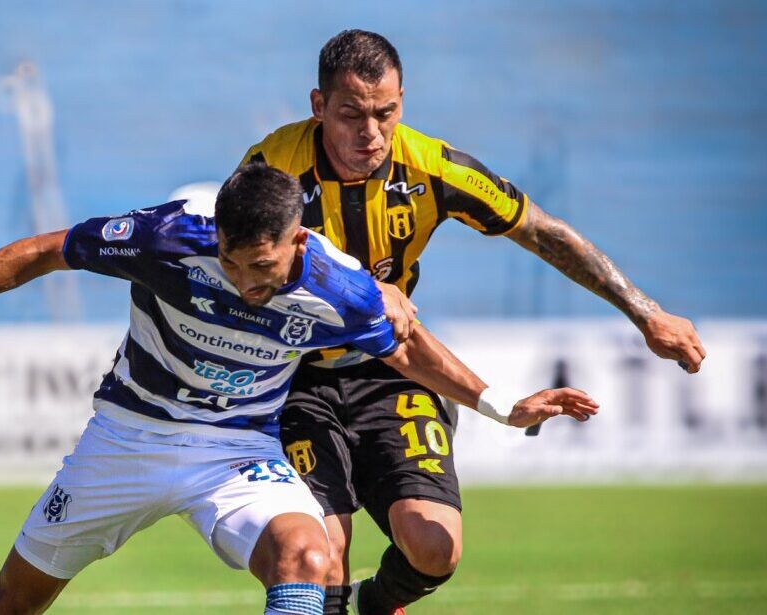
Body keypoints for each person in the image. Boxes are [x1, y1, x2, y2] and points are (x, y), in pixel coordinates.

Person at [0, 164, 596, 615]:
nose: (243, 284)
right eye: (231, 263)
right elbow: (46, 250)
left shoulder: (345, 291)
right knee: (11, 603)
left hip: (237, 450)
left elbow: (406, 348)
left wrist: (500, 406)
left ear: (298, 242)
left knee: (308, 555)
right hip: (128, 437)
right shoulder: (170, 235)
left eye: (260, 271)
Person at [240, 30, 707, 615]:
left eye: (385, 113)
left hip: (396, 368)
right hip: (298, 379)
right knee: (321, 553)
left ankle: (378, 603)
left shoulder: (432, 167)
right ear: (318, 107)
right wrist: (354, 286)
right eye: (350, 114)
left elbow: (542, 231)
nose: (370, 133)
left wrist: (647, 312)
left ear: (402, 101)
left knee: (435, 548)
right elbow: (239, 267)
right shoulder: (272, 168)